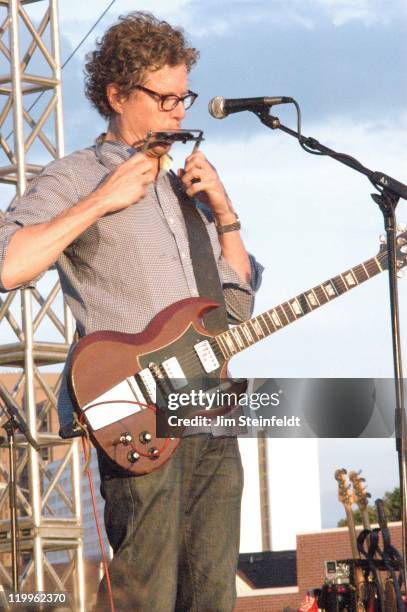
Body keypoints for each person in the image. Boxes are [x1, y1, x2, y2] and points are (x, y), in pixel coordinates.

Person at [0, 12, 262, 611]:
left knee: (213, 595)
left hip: (213, 406)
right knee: (148, 591)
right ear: (117, 94)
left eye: (183, 96)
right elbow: (10, 263)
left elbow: (237, 308)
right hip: (134, 409)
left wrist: (225, 214)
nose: (179, 111)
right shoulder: (74, 174)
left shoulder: (184, 189)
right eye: (164, 97)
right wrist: (102, 199)